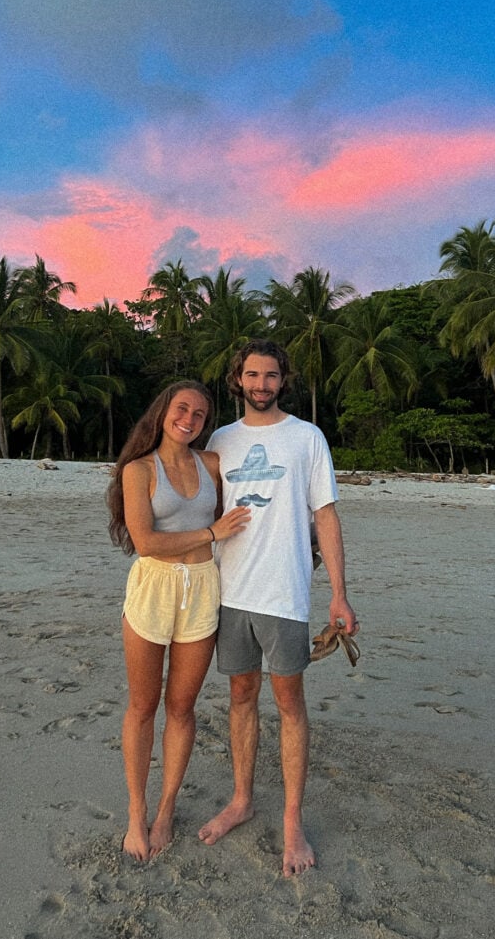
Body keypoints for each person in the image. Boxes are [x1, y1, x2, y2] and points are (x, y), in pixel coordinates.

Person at [197, 340, 358, 877]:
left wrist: (338, 592)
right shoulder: (220, 440)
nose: (261, 384)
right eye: (251, 375)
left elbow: (326, 517)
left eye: (270, 375)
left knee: (290, 701)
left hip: (284, 593)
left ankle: (292, 819)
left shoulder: (306, 438)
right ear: (236, 379)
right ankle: (242, 799)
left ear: (283, 380)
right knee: (241, 695)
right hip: (230, 592)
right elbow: (201, 507)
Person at [107, 380, 251, 863]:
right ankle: (135, 811)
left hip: (203, 589)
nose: (189, 419)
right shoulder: (138, 470)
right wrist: (210, 532)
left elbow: (261, 484)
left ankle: (166, 808)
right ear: (162, 411)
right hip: (152, 588)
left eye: (200, 414)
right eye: (181, 408)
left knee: (182, 707)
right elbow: (145, 541)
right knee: (142, 706)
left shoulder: (211, 463)